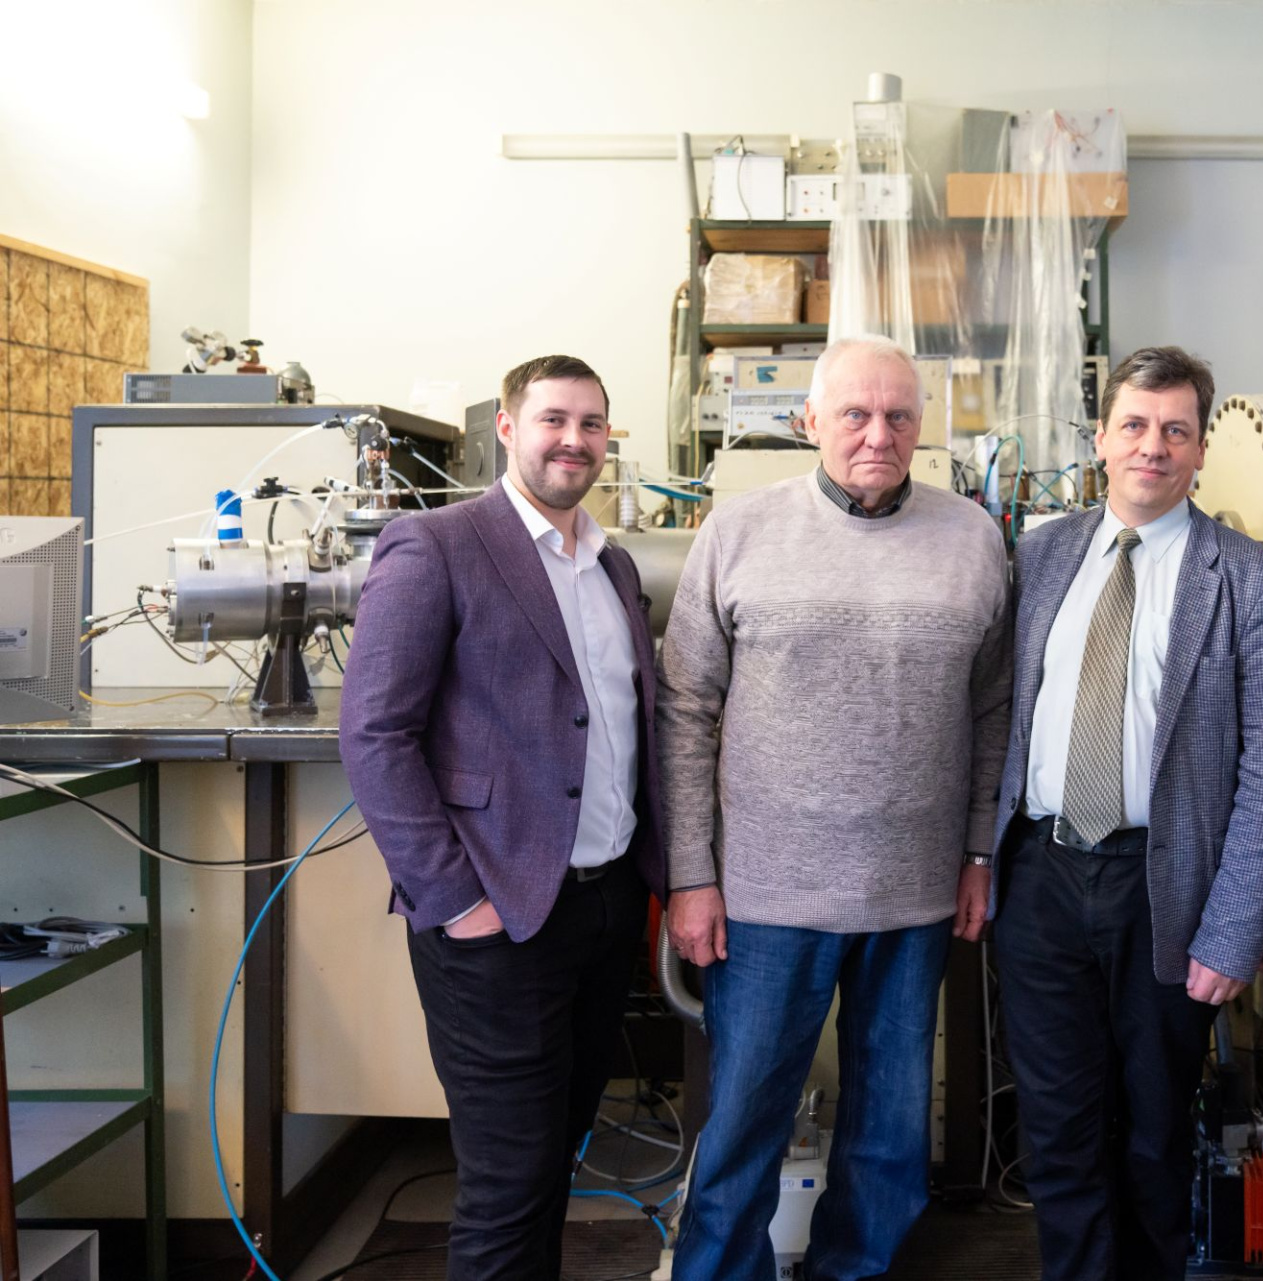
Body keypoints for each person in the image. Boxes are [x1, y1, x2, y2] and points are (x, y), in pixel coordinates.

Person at [657, 334, 1011, 1280]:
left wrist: (979, 852)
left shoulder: (973, 539)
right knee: (743, 1126)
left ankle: (856, 1270)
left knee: (891, 1137)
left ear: (922, 427)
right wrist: (690, 874)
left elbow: (994, 711)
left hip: (916, 894)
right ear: (810, 420)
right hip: (765, 894)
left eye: (898, 416)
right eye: (854, 413)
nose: (877, 434)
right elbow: (684, 708)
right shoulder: (738, 530)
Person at [988, 345, 1263, 1280]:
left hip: (1165, 886)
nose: (1152, 446)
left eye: (1175, 429)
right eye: (1134, 425)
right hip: (1041, 876)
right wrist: (978, 861)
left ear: (1201, 448)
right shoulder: (1042, 555)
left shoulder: (1250, 579)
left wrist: (1234, 927)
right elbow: (1001, 717)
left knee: (1155, 1133)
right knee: (1058, 1129)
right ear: (1100, 439)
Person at [340, 354, 663, 1280]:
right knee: (507, 1183)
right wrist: (457, 902)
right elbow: (374, 733)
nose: (574, 440)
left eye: (592, 424)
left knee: (554, 1159)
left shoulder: (612, 563)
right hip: (497, 914)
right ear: (509, 429)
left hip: (602, 909)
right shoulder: (435, 544)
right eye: (554, 419)